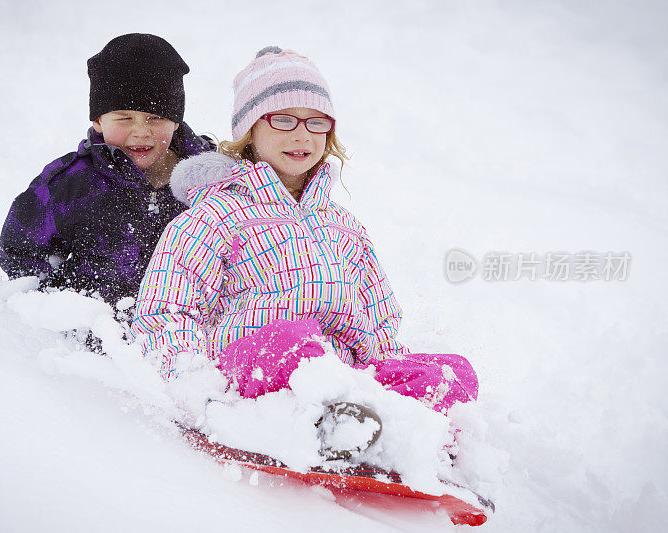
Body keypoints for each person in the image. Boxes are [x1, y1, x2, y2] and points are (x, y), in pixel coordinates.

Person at [130, 47, 477, 415]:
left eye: (316, 121)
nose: (302, 135)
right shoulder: (215, 217)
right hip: (256, 371)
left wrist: (393, 372)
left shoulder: (343, 226)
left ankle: (387, 429)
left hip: (345, 376)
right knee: (291, 338)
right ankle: (323, 425)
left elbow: (380, 321)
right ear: (250, 130)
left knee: (453, 373)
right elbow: (165, 312)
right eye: (283, 120)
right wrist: (195, 386)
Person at [0, 34, 214, 307]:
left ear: (175, 121)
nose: (141, 132)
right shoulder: (69, 184)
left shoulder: (210, 179)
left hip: (183, 333)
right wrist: (58, 307)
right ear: (99, 120)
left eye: (156, 118)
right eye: (124, 118)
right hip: (94, 335)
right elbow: (19, 250)